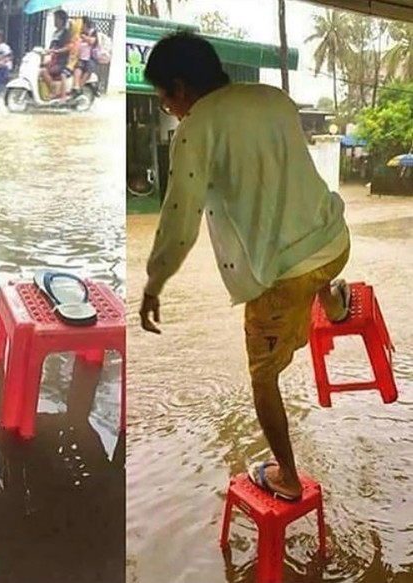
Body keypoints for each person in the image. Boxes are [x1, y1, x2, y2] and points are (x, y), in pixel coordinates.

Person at [138, 32, 352, 502]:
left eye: (164, 97)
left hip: (284, 276)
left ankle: (288, 479)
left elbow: (180, 221)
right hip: (335, 241)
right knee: (313, 260)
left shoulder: (196, 129)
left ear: (180, 87)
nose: (168, 108)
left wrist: (154, 283)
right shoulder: (273, 99)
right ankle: (336, 308)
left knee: (262, 377)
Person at [41, 9, 72, 102]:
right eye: (54, 19)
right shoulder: (55, 33)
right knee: (41, 67)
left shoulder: (66, 33)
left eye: (57, 19)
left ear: (62, 20)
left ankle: (54, 92)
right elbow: (52, 48)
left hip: (62, 62)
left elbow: (68, 47)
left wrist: (57, 51)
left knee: (43, 72)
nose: (55, 21)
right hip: (54, 60)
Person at [72, 17, 98, 96]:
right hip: (81, 57)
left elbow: (93, 41)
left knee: (88, 69)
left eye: (82, 24)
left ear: (85, 24)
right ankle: (76, 87)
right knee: (78, 68)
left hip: (90, 58)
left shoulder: (93, 32)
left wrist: (85, 38)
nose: (81, 26)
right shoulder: (79, 32)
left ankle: (80, 87)